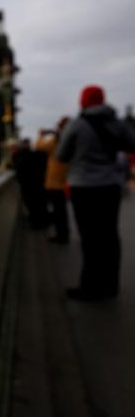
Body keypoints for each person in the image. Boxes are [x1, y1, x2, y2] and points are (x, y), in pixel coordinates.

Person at [57, 85, 135, 300]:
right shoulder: (117, 124)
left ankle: (90, 287)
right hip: (110, 185)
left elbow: (61, 155)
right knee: (110, 235)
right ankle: (111, 286)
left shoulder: (76, 125)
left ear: (83, 101)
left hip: (83, 187)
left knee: (90, 237)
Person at [35, 118, 70, 243]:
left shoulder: (57, 141)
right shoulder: (70, 140)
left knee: (58, 210)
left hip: (54, 181)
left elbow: (38, 146)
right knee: (61, 210)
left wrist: (41, 135)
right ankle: (63, 233)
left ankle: (61, 236)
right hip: (66, 180)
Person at [14, 138, 49, 229]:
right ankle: (39, 221)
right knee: (35, 203)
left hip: (30, 184)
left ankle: (37, 223)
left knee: (33, 203)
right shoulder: (32, 154)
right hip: (33, 183)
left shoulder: (26, 155)